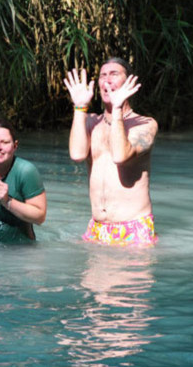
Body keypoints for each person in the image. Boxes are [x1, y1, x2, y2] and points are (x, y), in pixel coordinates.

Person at [63, 57, 158, 247]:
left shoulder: (145, 124)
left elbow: (120, 156)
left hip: (134, 228)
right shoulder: (91, 121)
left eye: (114, 75)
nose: (107, 80)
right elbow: (77, 154)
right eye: (102, 76)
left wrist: (117, 109)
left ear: (129, 82)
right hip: (97, 229)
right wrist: (80, 107)